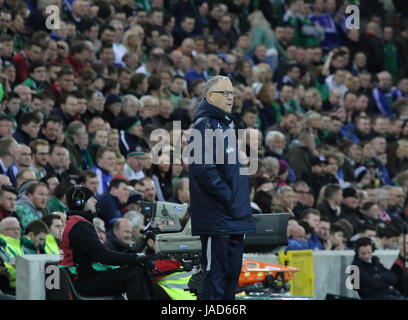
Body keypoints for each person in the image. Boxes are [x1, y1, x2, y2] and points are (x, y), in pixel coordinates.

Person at [189, 75, 256, 300]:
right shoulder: (204, 125)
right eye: (224, 93)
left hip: (233, 215)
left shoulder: (224, 124)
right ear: (209, 96)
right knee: (215, 276)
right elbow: (202, 169)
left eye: (232, 93)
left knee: (230, 278)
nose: (230, 97)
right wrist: (227, 197)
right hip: (217, 216)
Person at [58, 184, 170, 300]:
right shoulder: (80, 226)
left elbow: (100, 257)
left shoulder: (77, 223)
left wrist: (131, 254)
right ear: (80, 201)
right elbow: (103, 256)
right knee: (134, 273)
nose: (95, 201)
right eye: (91, 198)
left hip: (87, 278)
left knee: (138, 269)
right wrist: (136, 257)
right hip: (85, 282)